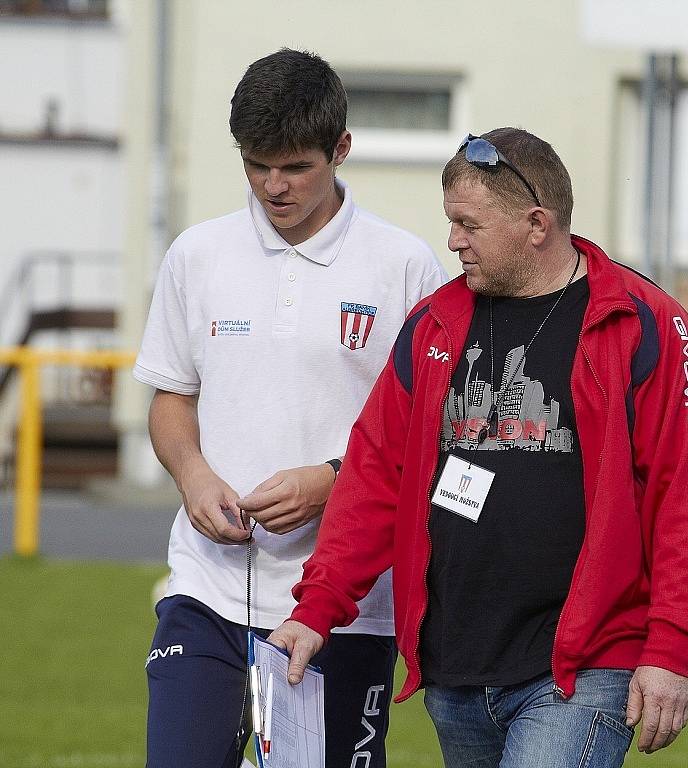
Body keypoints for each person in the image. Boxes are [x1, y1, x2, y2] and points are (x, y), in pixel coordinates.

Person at [270, 128, 688, 768]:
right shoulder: (433, 323)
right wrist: (318, 607)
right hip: (457, 669)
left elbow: (684, 495)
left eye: (468, 224)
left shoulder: (642, 321)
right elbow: (374, 476)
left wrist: (671, 646)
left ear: (535, 223)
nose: (452, 240)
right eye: (450, 221)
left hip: (584, 668)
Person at [133, 48, 448, 768]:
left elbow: (428, 436)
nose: (273, 186)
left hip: (347, 606)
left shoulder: (403, 266)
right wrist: (194, 477)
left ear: (340, 150)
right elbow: (171, 398)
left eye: (295, 167)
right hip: (206, 591)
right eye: (255, 164)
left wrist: (334, 481)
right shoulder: (197, 254)